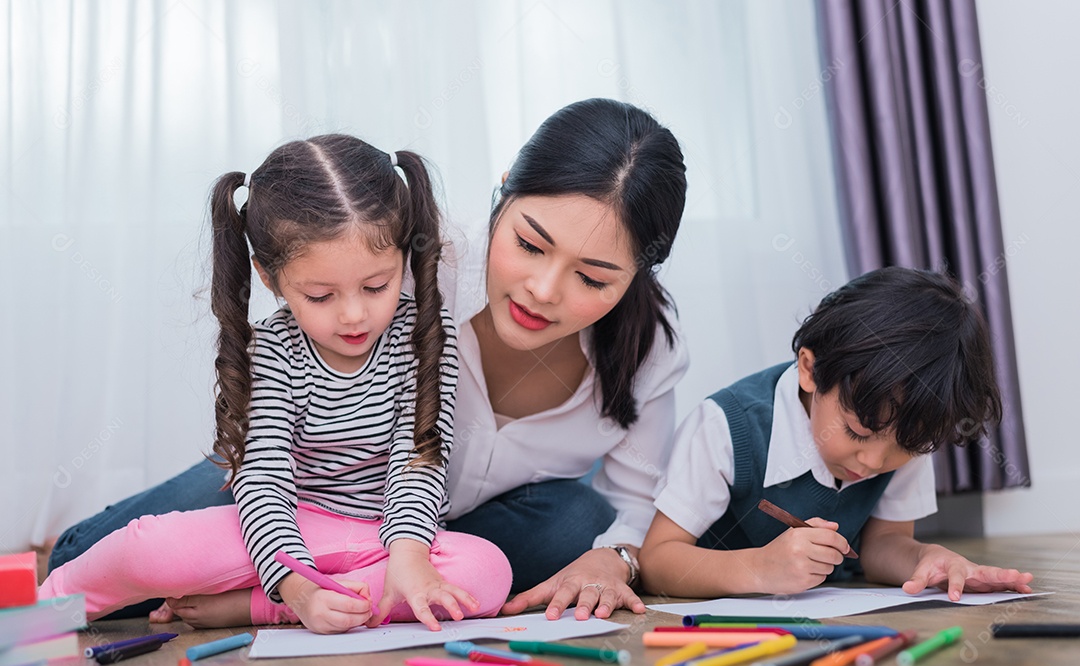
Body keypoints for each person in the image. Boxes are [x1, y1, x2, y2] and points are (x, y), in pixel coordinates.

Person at [49, 98, 690, 625]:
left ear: (636, 275)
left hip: (431, 523)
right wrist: (290, 572)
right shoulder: (405, 272)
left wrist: (617, 560)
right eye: (529, 245)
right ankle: (252, 583)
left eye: (594, 278)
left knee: (575, 521)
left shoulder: (648, 350)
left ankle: (269, 599)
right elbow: (269, 462)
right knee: (105, 564)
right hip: (302, 482)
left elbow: (634, 502)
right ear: (502, 194)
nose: (544, 291)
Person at [41, 134, 511, 633]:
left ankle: (258, 607)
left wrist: (411, 554)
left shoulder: (424, 332)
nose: (354, 315)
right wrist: (297, 584)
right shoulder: (273, 350)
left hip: (391, 537)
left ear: (403, 257)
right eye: (321, 295)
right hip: (290, 530)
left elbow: (417, 460)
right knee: (147, 548)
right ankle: (37, 615)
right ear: (269, 277)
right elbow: (263, 482)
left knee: (485, 571)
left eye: (377, 286)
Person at [638, 267, 1034, 600]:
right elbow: (657, 561)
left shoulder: (905, 431)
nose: (874, 462)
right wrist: (758, 569)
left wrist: (926, 559)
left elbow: (882, 545)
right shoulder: (725, 427)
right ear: (810, 370)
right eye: (858, 432)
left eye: (905, 447)